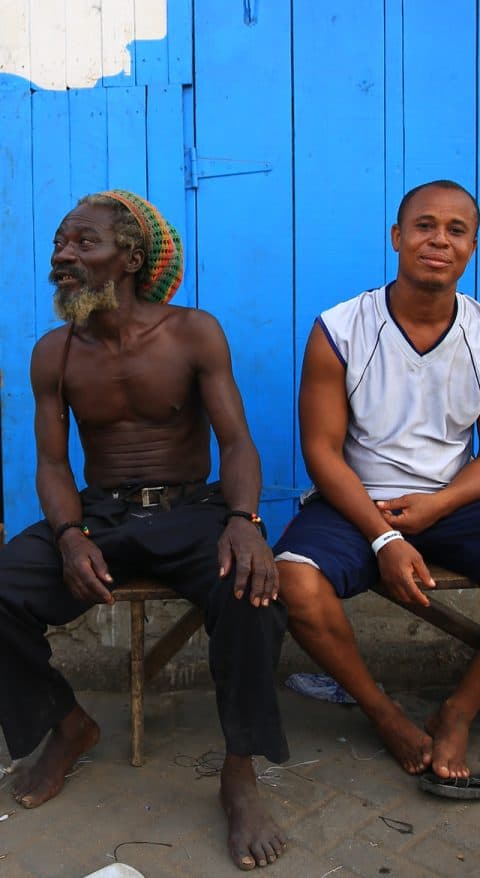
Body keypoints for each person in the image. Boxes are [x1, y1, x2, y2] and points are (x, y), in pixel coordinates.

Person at [0, 190, 288, 871]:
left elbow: (237, 443)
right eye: (60, 244)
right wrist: (69, 534)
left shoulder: (193, 332)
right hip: (101, 517)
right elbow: (50, 463)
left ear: (129, 259)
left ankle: (239, 773)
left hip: (190, 511)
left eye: (84, 243)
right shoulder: (54, 353)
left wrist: (244, 523)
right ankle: (67, 726)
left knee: (253, 592)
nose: (63, 256)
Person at [273, 179, 480, 783]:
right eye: (423, 226)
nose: (438, 240)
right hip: (355, 503)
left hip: (454, 501)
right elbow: (320, 451)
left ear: (471, 248)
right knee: (294, 582)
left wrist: (438, 506)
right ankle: (384, 713)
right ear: (397, 237)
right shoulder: (340, 329)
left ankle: (458, 711)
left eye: (456, 230)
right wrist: (385, 539)